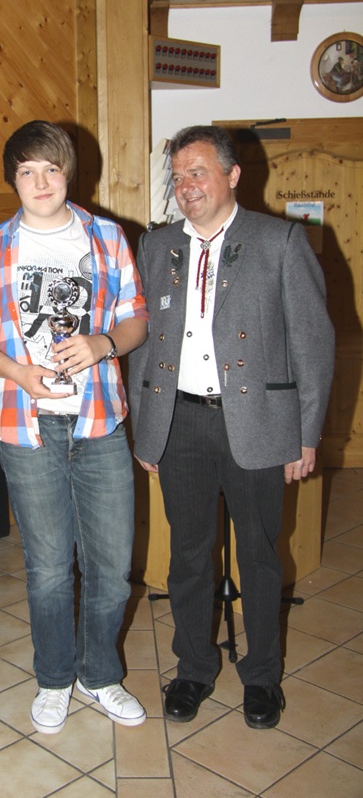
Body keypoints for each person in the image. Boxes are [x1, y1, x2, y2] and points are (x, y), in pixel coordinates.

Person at [129, 125, 334, 730]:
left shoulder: (281, 240)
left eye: (198, 172)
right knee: (189, 555)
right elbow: (142, 344)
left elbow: (313, 344)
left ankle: (262, 676)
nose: (186, 186)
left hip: (259, 426)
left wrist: (307, 433)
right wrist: (147, 427)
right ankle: (194, 668)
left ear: (232, 174)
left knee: (260, 557)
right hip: (180, 423)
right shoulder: (156, 245)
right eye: (178, 176)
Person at [0, 120, 149, 734]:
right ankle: (54, 678)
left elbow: (136, 320)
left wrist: (101, 344)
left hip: (100, 425)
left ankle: (100, 675)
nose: (40, 182)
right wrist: (19, 372)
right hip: (28, 430)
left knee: (111, 567)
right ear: (12, 179)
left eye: (51, 168)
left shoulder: (107, 237)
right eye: (27, 171)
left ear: (69, 172)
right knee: (47, 569)